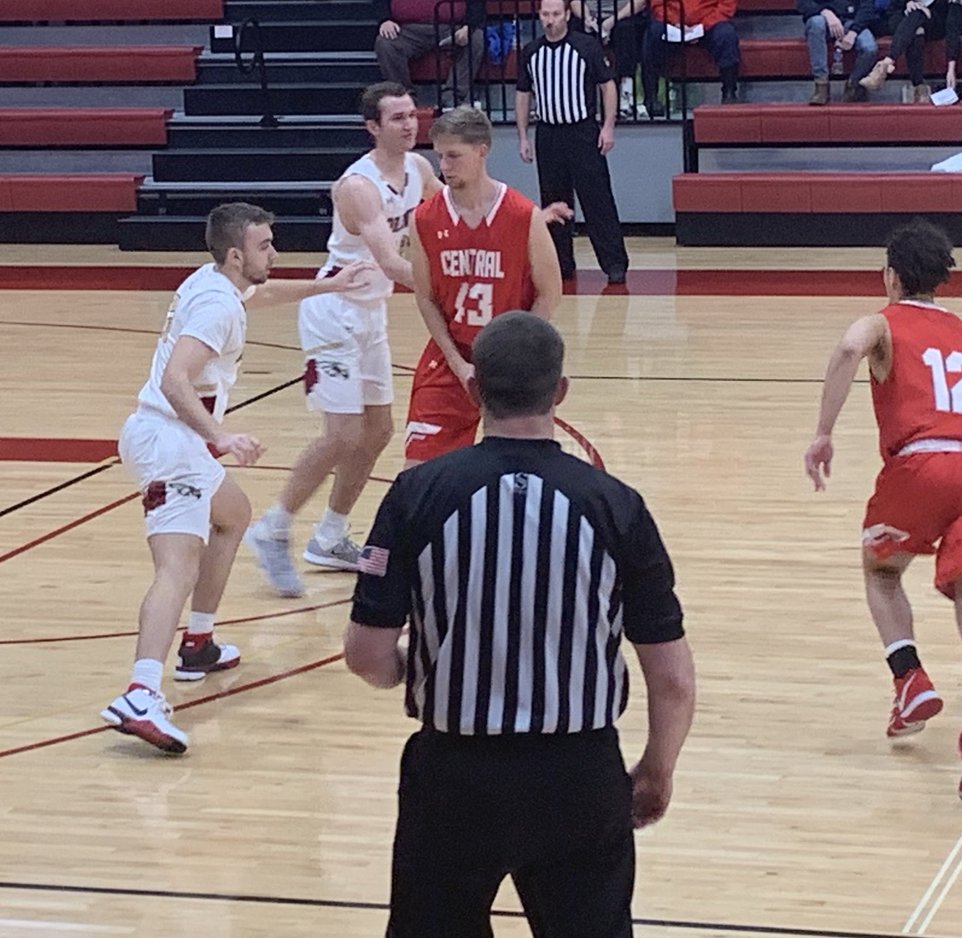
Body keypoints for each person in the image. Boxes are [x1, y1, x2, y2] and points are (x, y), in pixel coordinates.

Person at [345, 312, 696, 936]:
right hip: (579, 775)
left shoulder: (416, 494)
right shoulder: (616, 505)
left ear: (474, 389)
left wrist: (415, 670)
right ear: (560, 392)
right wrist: (656, 767)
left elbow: (365, 655)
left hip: (453, 776)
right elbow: (672, 680)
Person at [101, 203, 370, 754]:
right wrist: (219, 436)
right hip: (168, 441)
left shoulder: (219, 284)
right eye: (264, 246)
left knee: (234, 514)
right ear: (234, 255)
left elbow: (260, 296)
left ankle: (198, 642)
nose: (274, 253)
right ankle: (140, 692)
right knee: (176, 567)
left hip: (177, 439)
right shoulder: (216, 307)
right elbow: (176, 379)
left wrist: (328, 285)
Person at [803, 220, 962, 808]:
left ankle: (909, 677)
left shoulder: (884, 322)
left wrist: (823, 432)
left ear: (891, 275)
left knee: (882, 569)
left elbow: (848, 347)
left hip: (920, 463)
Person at [245, 83, 442, 598]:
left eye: (412, 114)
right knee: (342, 435)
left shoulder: (419, 169)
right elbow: (390, 262)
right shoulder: (358, 186)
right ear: (373, 127)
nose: (409, 124)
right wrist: (449, 282)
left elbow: (454, 212)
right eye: (397, 117)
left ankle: (330, 537)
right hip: (333, 311)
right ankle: (273, 528)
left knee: (378, 431)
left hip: (370, 312)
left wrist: (521, 222)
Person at [404, 106, 563, 468]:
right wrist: (457, 363)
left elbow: (550, 292)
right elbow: (425, 298)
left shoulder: (522, 214)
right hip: (451, 360)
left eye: (454, 156)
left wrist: (517, 348)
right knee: (419, 475)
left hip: (511, 363)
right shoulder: (424, 217)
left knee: (520, 474)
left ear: (482, 151)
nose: (445, 166)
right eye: (440, 156)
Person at [517, 0, 630, 284]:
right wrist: (523, 136)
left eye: (556, 14)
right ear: (539, 16)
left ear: (567, 15)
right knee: (554, 202)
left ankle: (614, 263)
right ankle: (560, 263)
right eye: (545, 14)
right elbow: (523, 93)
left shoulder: (586, 47)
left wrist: (608, 126)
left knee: (597, 199)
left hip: (582, 132)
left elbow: (607, 85)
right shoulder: (531, 52)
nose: (550, 20)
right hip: (548, 134)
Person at [373, 0, 484, 110]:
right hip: (408, 29)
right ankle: (403, 98)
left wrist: (469, 26)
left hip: (451, 28)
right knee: (385, 43)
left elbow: (476, 4)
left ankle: (452, 97)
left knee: (476, 38)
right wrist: (385, 20)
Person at [797, 0, 880, 104]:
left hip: (852, 21)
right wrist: (825, 12)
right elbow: (803, 3)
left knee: (869, 47)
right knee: (816, 23)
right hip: (823, 18)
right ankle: (821, 84)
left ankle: (854, 85)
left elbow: (868, 8)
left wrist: (853, 32)